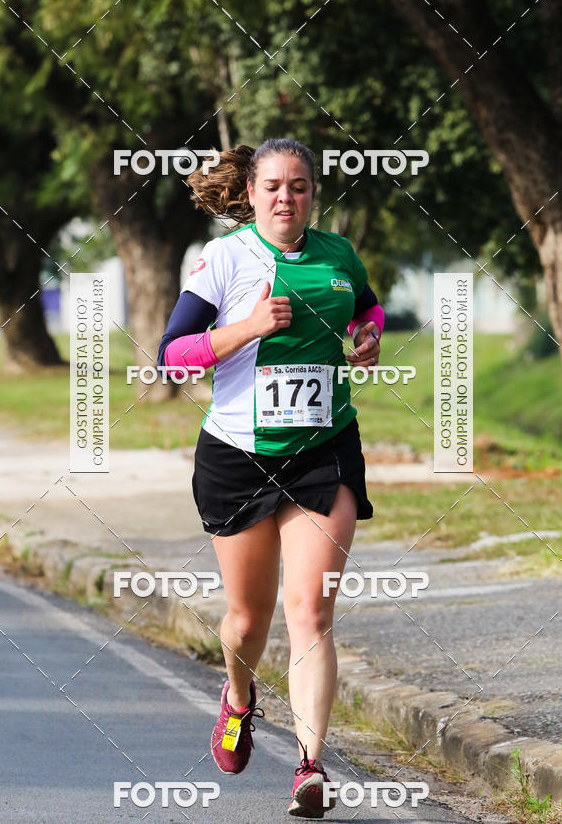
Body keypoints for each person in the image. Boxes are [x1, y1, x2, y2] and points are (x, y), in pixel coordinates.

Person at [157, 138, 384, 818]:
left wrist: (369, 334)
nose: (287, 198)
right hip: (238, 456)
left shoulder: (338, 255)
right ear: (251, 194)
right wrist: (249, 327)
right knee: (247, 621)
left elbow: (367, 307)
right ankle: (238, 697)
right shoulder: (225, 259)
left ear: (314, 193)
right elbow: (173, 358)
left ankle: (311, 767)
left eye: (301, 187)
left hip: (324, 451)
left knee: (311, 613)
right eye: (275, 187)